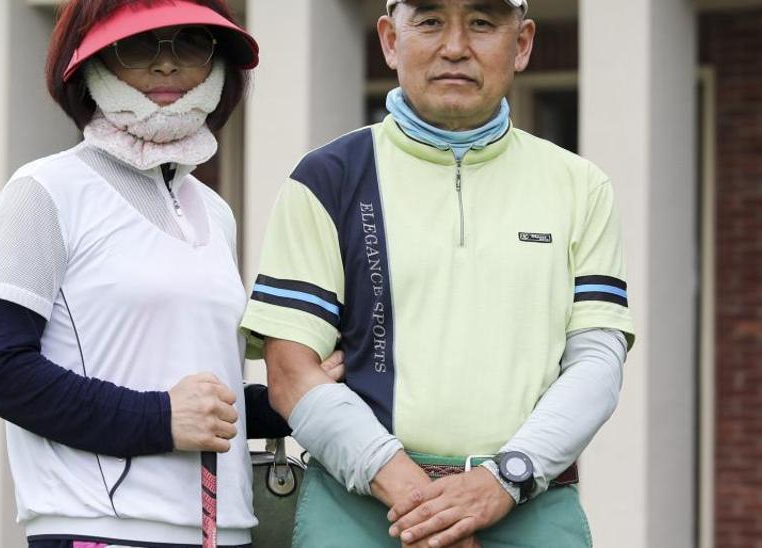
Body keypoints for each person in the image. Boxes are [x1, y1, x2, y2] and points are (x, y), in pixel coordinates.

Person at [238, 0, 636, 546]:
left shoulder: (581, 186)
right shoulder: (326, 178)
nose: (455, 46)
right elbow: (290, 375)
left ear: (521, 44)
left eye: (481, 22)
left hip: (530, 503)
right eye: (429, 21)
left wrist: (504, 480)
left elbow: (597, 362)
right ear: (389, 40)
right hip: (360, 510)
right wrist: (423, 504)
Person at [0, 1, 341, 547]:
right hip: (100, 531)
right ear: (93, 64)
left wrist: (294, 398)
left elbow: (199, 397)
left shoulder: (214, 209)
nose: (166, 65)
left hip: (226, 532)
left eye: (189, 42)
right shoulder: (43, 191)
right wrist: (158, 418)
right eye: (137, 45)